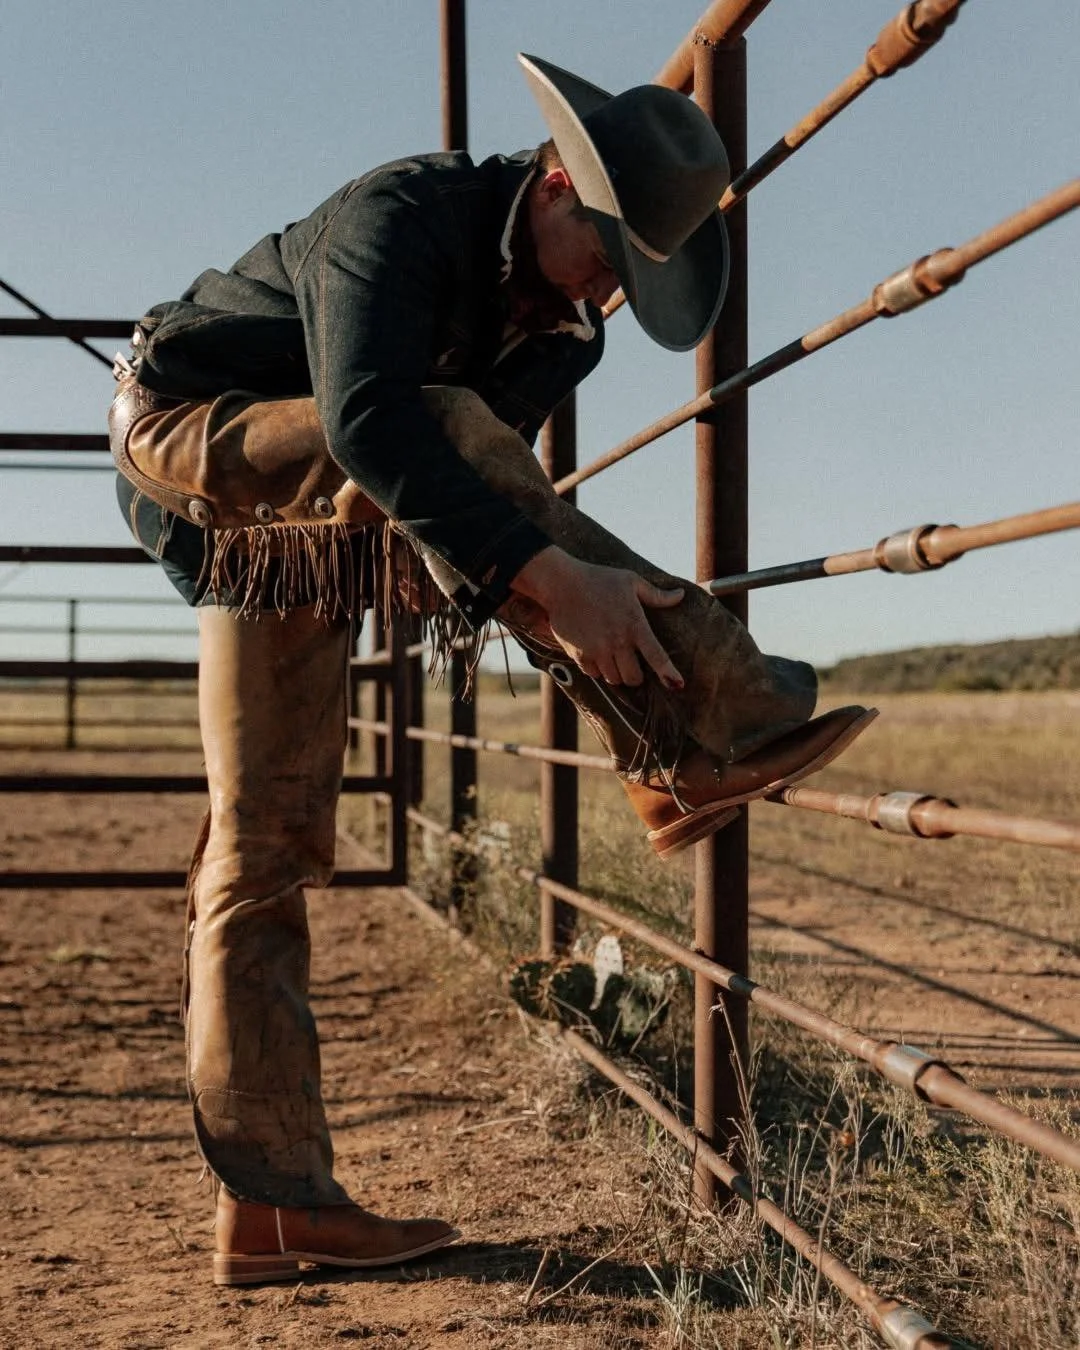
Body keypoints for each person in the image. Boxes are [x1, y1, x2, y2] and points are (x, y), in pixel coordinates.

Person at [108, 53, 875, 1286]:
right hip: (203, 437)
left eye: (635, 282)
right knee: (451, 435)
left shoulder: (564, 339)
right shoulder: (402, 214)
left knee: (264, 837)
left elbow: (458, 508)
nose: (607, 296)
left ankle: (274, 1205)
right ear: (559, 179)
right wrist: (545, 576)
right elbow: (373, 422)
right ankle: (706, 716)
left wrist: (531, 583)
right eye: (606, 257)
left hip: (325, 522)